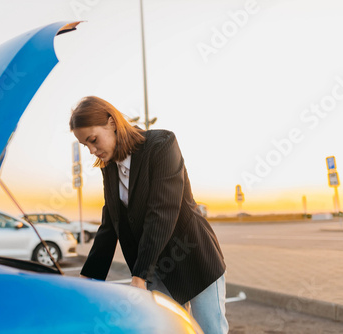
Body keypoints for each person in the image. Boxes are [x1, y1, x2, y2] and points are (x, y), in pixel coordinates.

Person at [70, 96, 228, 334]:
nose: (92, 151)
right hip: (156, 269)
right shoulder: (109, 168)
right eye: (86, 146)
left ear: (112, 122)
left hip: (194, 260)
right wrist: (87, 279)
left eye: (93, 140)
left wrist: (139, 276)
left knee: (211, 330)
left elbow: (162, 212)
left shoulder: (162, 144)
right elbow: (110, 225)